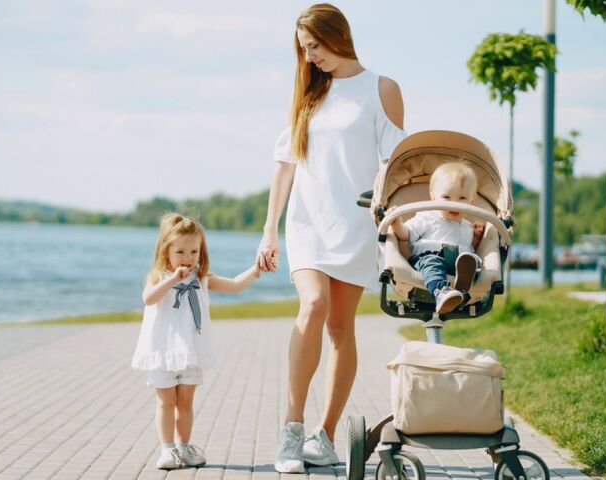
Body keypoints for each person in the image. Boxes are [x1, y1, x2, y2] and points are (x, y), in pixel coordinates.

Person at [255, 3, 407, 473]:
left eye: (315, 46)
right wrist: (269, 229)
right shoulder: (308, 93)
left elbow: (396, 163)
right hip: (307, 223)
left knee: (341, 329)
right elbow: (285, 164)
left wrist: (397, 222)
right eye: (304, 50)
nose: (310, 57)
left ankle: (324, 436)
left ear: (337, 35)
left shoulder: (382, 88)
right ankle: (291, 430)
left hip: (357, 225)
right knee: (313, 306)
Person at [132, 213, 260, 470]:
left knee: (186, 402)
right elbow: (149, 298)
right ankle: (167, 449)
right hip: (163, 352)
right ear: (165, 250)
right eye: (180, 251)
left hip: (190, 352)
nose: (188, 258)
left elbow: (234, 284)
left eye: (194, 251)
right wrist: (172, 279)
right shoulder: (158, 277)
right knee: (166, 402)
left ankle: (183, 446)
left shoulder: (201, 278)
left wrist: (256, 270)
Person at [389, 161, 485, 313]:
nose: (454, 204)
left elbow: (468, 245)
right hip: (429, 258)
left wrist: (476, 240)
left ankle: (464, 281)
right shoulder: (427, 217)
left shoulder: (467, 226)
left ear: (472, 201)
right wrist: (396, 225)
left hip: (458, 262)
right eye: (446, 197)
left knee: (473, 260)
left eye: (462, 198)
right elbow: (406, 234)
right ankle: (441, 292)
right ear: (433, 198)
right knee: (432, 263)